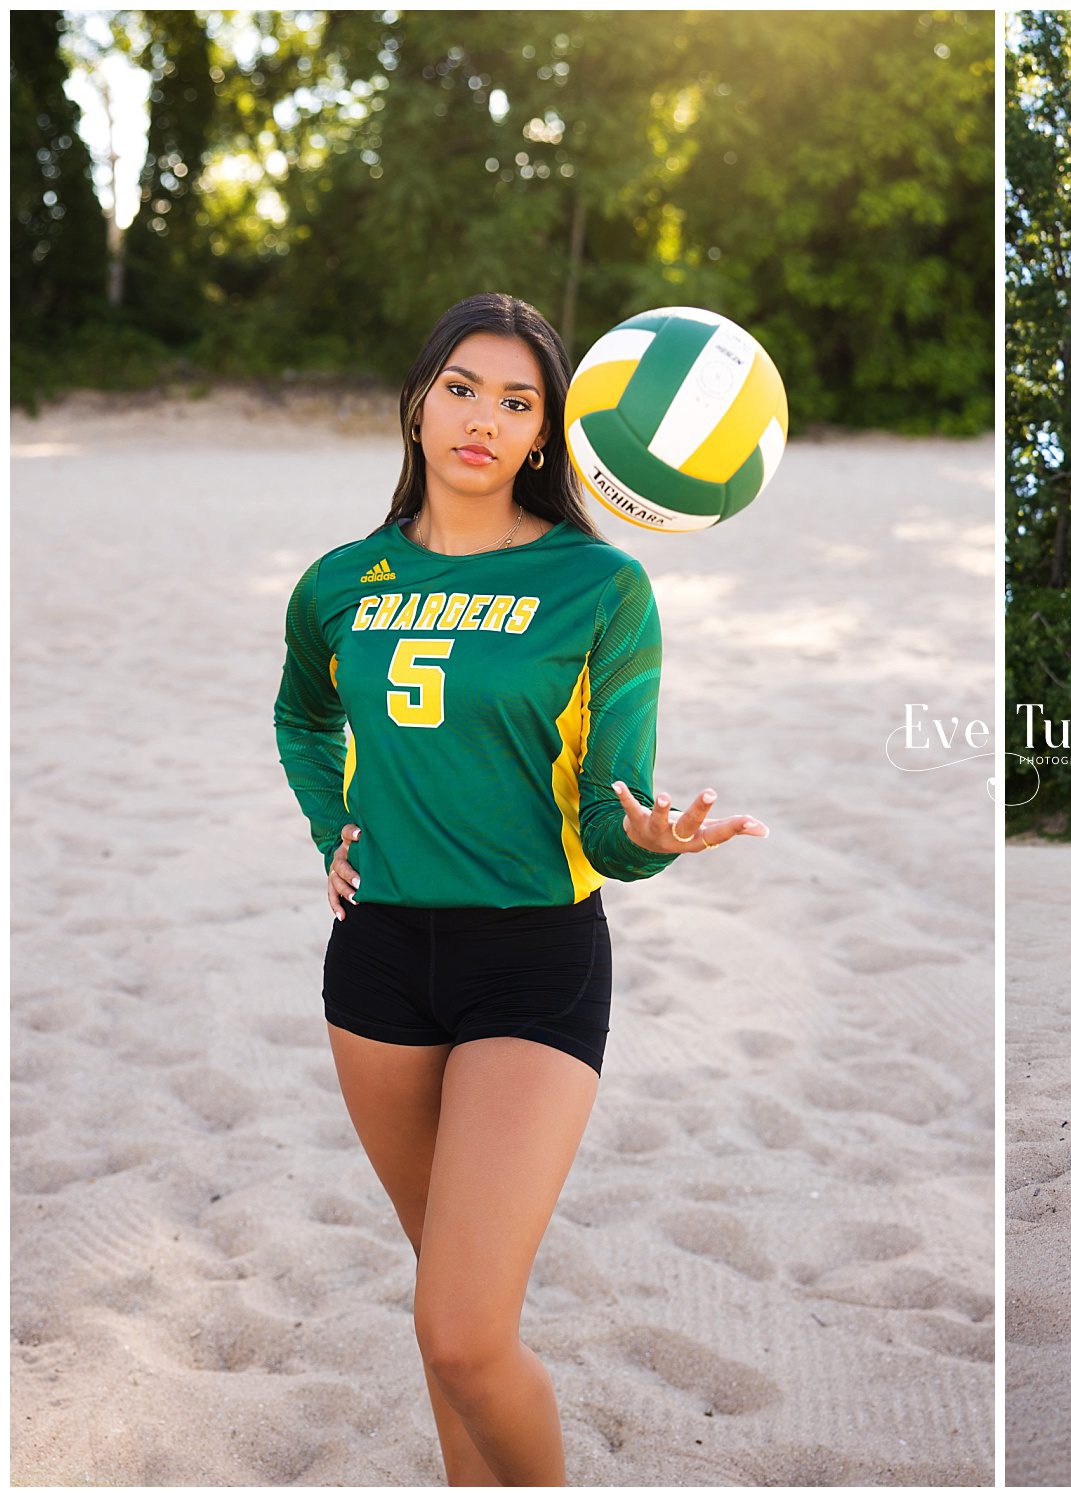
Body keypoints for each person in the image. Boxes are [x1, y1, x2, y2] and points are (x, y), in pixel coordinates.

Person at [273, 292, 767, 1483]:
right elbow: (303, 709)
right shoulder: (341, 581)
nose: (482, 420)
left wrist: (649, 839)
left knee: (460, 1328)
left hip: (533, 963)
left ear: (548, 433)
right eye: (460, 389)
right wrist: (324, 826)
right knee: (447, 1332)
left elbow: (614, 806)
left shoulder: (599, 588)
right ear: (418, 403)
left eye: (516, 401)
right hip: (377, 963)